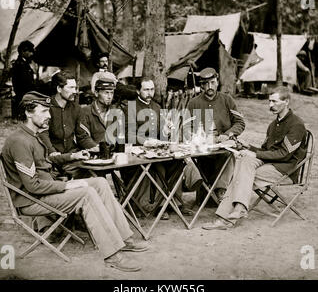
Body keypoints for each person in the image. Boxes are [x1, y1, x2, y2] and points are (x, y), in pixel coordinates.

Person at [1, 91, 149, 271]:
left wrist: (72, 156)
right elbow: (32, 185)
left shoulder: (33, 136)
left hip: (47, 191)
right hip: (32, 200)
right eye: (43, 111)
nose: (49, 116)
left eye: (49, 111)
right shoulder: (19, 141)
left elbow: (48, 161)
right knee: (85, 193)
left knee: (100, 183)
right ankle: (112, 254)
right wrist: (68, 184)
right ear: (28, 112)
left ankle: (125, 239)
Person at [202, 87, 307, 230]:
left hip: (286, 169)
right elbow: (267, 151)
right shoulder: (273, 125)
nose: (271, 105)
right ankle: (236, 211)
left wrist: (255, 154)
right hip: (269, 164)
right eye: (269, 101)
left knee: (241, 173)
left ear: (286, 102)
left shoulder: (296, 124)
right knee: (244, 161)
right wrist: (249, 147)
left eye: (275, 101)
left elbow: (284, 154)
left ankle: (226, 217)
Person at [124, 77, 202, 219]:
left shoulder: (157, 107)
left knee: (177, 161)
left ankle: (176, 202)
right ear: (138, 91)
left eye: (152, 89)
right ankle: (161, 205)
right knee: (160, 165)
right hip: (138, 150)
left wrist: (165, 131)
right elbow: (129, 134)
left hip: (156, 149)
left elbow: (161, 134)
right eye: (146, 89)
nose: (149, 93)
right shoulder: (131, 107)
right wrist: (146, 141)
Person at [186, 67, 245, 202]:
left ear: (217, 82)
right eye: (205, 84)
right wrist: (196, 138)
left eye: (212, 82)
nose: (209, 87)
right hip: (203, 146)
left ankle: (221, 190)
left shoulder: (227, 100)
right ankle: (204, 191)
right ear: (201, 86)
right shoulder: (193, 103)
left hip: (223, 144)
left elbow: (240, 123)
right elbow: (186, 127)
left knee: (228, 154)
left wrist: (228, 134)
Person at [39, 70, 98, 178]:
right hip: (53, 158)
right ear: (59, 89)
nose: (75, 91)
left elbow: (82, 136)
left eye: (75, 88)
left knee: (96, 172)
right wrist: (52, 151)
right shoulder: (46, 107)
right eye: (70, 88)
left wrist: (95, 147)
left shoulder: (76, 108)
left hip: (72, 155)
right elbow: (43, 134)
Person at [80, 74, 121, 146]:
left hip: (112, 153)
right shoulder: (85, 112)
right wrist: (99, 149)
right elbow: (83, 138)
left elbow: (119, 136)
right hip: (92, 153)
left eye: (112, 93)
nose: (109, 97)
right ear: (96, 93)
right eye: (106, 93)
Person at [10, 41, 41, 121]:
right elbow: (17, 78)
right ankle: (15, 116)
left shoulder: (26, 62)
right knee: (18, 100)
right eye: (30, 52)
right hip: (20, 87)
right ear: (23, 51)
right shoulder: (18, 63)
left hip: (27, 86)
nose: (31, 54)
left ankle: (24, 115)